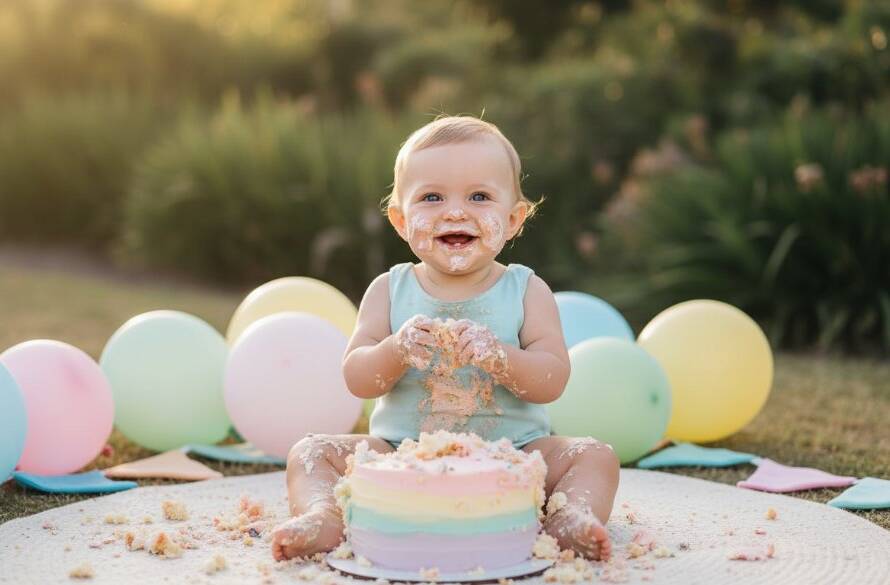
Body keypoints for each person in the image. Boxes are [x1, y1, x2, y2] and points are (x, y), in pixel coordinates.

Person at [271, 115, 619, 562]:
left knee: (594, 455)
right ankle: (325, 514)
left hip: (515, 459)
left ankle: (568, 515)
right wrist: (396, 350)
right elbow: (358, 378)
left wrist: (500, 357)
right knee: (311, 451)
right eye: (432, 197)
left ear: (513, 220)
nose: (455, 212)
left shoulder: (526, 290)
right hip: (400, 457)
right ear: (400, 220)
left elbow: (552, 378)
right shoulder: (389, 289)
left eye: (479, 196)